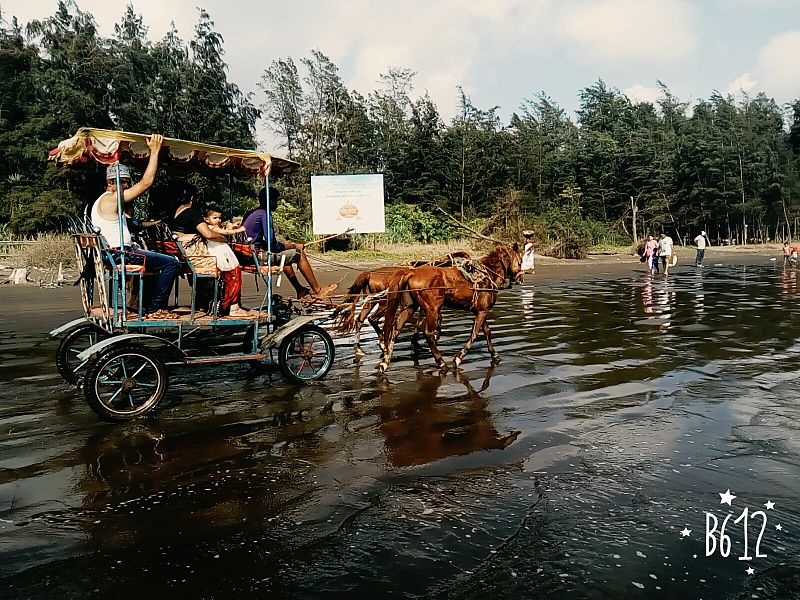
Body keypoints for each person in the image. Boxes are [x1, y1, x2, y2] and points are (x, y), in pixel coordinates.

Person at [90, 134, 180, 316]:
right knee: (172, 263)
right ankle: (157, 308)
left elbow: (131, 224)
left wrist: (155, 223)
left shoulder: (104, 202)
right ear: (109, 183)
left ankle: (143, 303)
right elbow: (146, 183)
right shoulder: (112, 199)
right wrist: (154, 151)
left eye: (126, 182)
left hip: (116, 253)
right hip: (120, 254)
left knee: (155, 261)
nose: (125, 186)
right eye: (121, 182)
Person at [243, 186, 337, 299]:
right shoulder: (265, 214)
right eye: (276, 201)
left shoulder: (251, 213)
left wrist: (286, 247)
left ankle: (300, 290)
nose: (276, 204)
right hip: (257, 257)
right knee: (298, 253)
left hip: (246, 254)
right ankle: (318, 290)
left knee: (286, 256)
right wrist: (293, 246)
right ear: (271, 201)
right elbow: (272, 245)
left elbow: (256, 240)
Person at [202, 206, 251, 317]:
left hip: (223, 251)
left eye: (219, 218)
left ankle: (233, 304)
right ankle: (232, 307)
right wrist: (237, 230)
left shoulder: (214, 226)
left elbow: (223, 229)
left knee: (234, 275)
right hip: (219, 253)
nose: (218, 220)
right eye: (215, 218)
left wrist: (232, 227)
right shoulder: (211, 228)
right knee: (231, 276)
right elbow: (224, 232)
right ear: (206, 219)